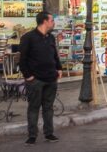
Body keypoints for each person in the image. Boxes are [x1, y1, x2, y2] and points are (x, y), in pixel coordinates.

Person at [19, 11, 62, 145]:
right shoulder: (28, 37)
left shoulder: (50, 37)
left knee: (48, 108)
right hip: (35, 80)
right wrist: (28, 76)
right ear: (44, 21)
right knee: (34, 107)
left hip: (51, 78)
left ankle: (49, 134)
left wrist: (59, 68)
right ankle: (32, 136)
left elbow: (54, 54)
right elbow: (22, 60)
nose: (53, 23)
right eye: (51, 20)